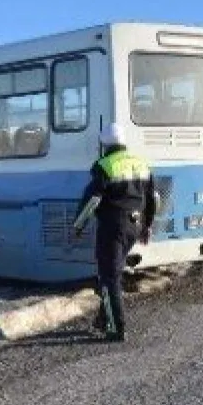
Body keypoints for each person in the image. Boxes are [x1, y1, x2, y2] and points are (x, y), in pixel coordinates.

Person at [73, 123, 157, 342]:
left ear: (105, 145)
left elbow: (92, 200)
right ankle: (103, 319)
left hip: (113, 227)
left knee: (109, 278)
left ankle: (115, 328)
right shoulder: (141, 164)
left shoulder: (104, 166)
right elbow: (152, 198)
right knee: (114, 273)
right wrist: (147, 226)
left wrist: (78, 225)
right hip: (135, 225)